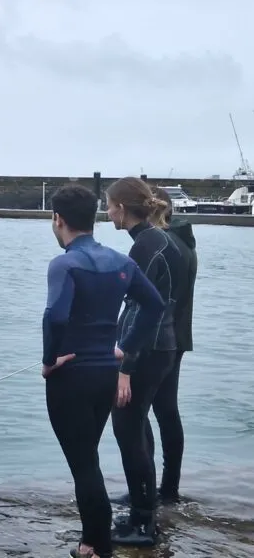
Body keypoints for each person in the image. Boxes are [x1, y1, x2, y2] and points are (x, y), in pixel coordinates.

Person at [43, 184, 165, 558]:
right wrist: (125, 348)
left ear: (58, 219)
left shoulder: (64, 263)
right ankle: (93, 540)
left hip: (71, 375)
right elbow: (155, 306)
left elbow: (55, 315)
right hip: (105, 375)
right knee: (89, 458)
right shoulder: (121, 262)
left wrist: (49, 361)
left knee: (84, 465)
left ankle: (94, 545)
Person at [105, 177, 184, 547]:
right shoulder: (159, 240)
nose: (107, 214)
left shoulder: (147, 246)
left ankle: (142, 524)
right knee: (137, 426)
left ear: (122, 208)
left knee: (127, 429)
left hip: (148, 349)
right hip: (161, 346)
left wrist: (125, 366)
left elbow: (144, 309)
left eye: (108, 206)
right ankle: (145, 503)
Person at [111, 186, 198, 509]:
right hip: (175, 335)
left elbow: (147, 304)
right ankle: (162, 491)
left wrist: (127, 360)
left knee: (149, 414)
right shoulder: (182, 242)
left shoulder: (161, 244)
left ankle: (154, 496)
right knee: (162, 412)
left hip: (160, 337)